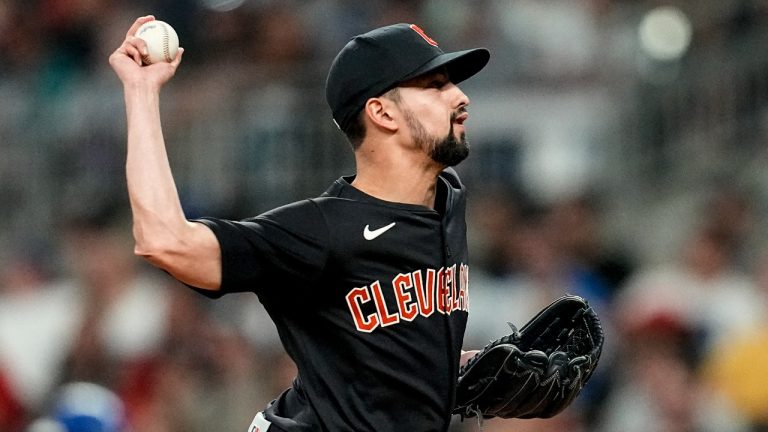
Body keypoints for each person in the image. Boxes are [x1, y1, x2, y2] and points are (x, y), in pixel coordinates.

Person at [109, 15, 489, 432]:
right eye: (435, 85)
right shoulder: (322, 232)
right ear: (382, 113)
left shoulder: (448, 199)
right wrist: (141, 91)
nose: (460, 96)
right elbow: (164, 241)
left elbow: (384, 355)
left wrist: (470, 368)